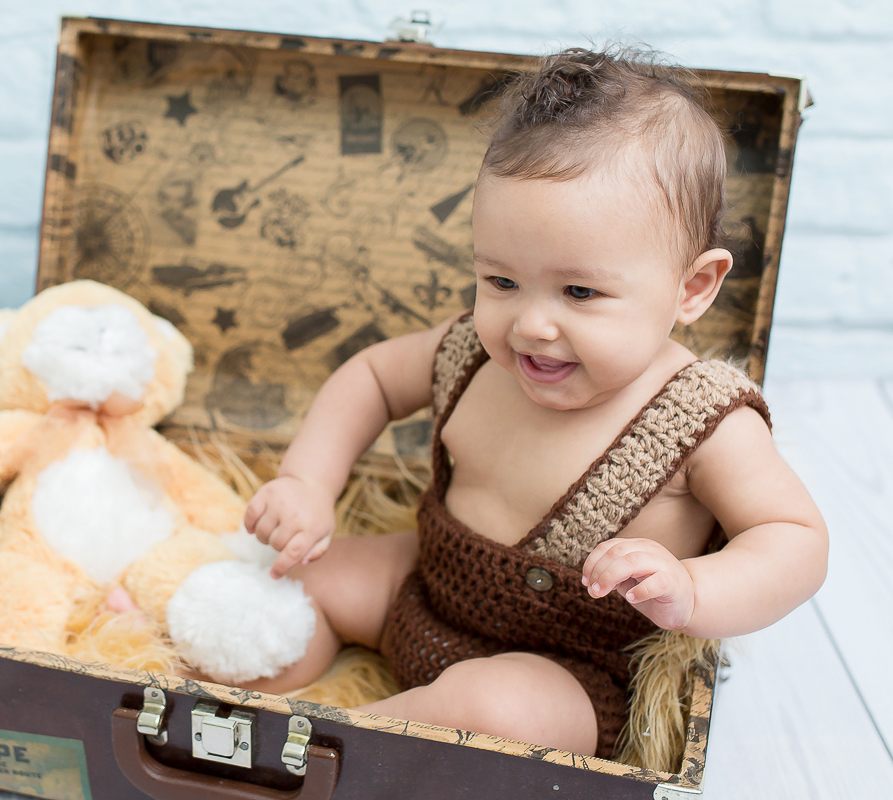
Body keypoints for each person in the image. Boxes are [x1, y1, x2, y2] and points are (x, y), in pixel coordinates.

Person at [239, 46, 829, 760]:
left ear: (692, 288)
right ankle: (231, 706)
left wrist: (693, 588)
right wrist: (309, 482)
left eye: (579, 292)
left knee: (490, 710)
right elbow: (369, 377)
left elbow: (795, 541)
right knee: (285, 585)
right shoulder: (472, 351)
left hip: (569, 672)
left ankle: (330, 753)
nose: (530, 325)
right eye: (501, 281)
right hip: (423, 584)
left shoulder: (700, 419)